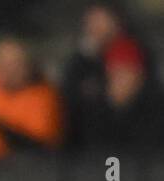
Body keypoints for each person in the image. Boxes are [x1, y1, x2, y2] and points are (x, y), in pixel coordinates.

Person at [61, 2, 164, 151]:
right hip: (92, 148)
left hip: (134, 148)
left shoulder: (129, 49)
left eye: (101, 20)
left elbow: (121, 97)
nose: (95, 27)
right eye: (91, 21)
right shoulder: (84, 60)